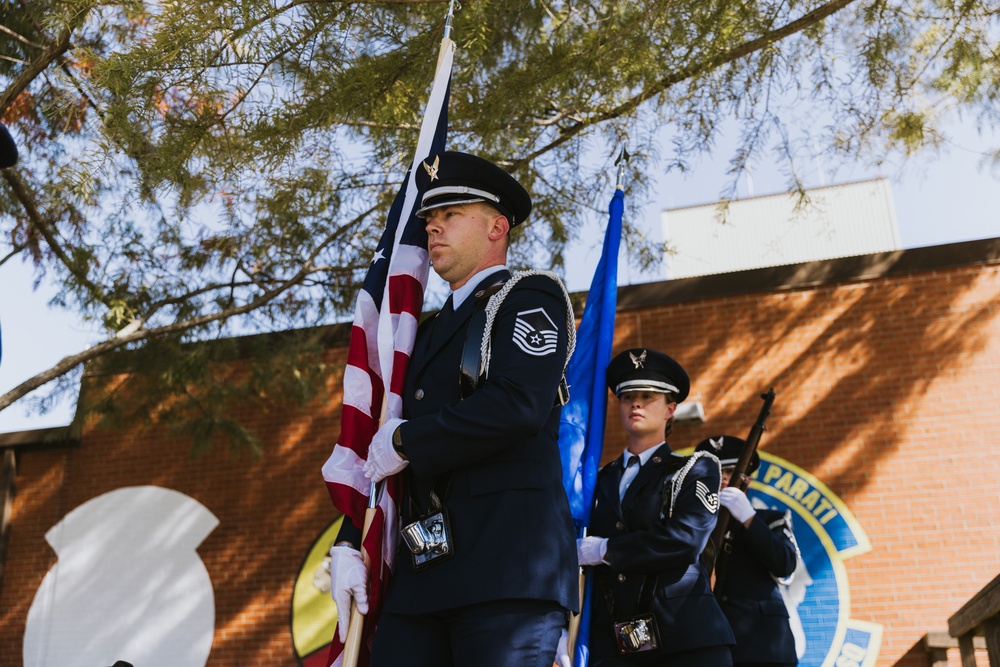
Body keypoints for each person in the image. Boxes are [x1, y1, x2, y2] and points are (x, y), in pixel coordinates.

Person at [329, 151, 578, 667]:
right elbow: (380, 444)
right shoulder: (423, 334)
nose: (433, 229)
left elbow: (518, 404)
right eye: (429, 220)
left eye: (450, 215)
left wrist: (407, 441)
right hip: (423, 578)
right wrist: (350, 539)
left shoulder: (528, 297)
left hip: (507, 567)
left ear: (497, 227)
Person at [579, 348, 735, 666]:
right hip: (616, 644)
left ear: (670, 409)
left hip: (686, 639)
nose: (635, 403)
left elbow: (685, 540)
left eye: (648, 396)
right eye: (627, 397)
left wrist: (606, 549)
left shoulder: (694, 468)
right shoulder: (598, 478)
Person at [695, 436, 799, 667]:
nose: (721, 478)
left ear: (747, 480)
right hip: (709, 644)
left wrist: (748, 517)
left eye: (730, 471)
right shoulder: (690, 527)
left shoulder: (769, 519)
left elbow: (784, 565)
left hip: (762, 645)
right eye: (714, 472)